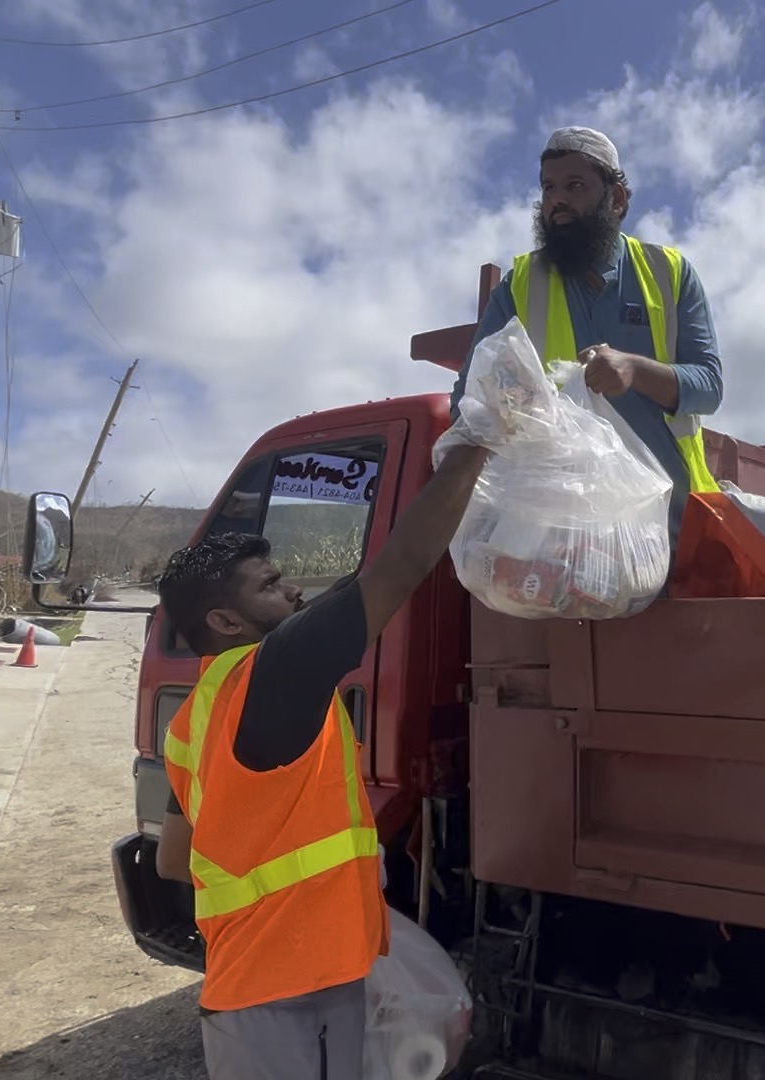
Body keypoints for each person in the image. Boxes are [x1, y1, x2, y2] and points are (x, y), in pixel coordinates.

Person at [152, 442, 493, 1080]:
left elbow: (175, 857)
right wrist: (476, 447)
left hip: (274, 978)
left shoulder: (197, 712)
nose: (293, 590)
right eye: (272, 585)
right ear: (225, 619)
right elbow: (405, 561)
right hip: (282, 995)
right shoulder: (274, 668)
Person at [451, 125, 725, 543]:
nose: (557, 200)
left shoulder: (669, 274)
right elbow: (467, 402)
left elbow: (709, 386)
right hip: (558, 540)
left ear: (616, 199)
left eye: (574, 186)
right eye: (548, 188)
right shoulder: (519, 286)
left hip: (674, 531)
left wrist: (636, 370)